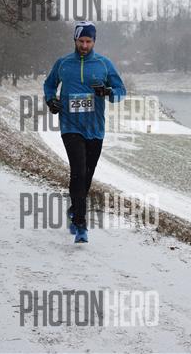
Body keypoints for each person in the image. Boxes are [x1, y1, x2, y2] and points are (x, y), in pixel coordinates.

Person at [43, 21, 126, 243]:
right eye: (81, 41)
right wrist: (51, 100)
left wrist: (108, 92)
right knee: (78, 171)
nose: (85, 45)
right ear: (75, 40)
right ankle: (80, 224)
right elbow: (49, 85)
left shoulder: (103, 64)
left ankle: (75, 208)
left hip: (95, 128)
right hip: (70, 125)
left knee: (87, 175)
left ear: (94, 41)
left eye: (89, 41)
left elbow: (121, 92)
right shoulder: (63, 63)